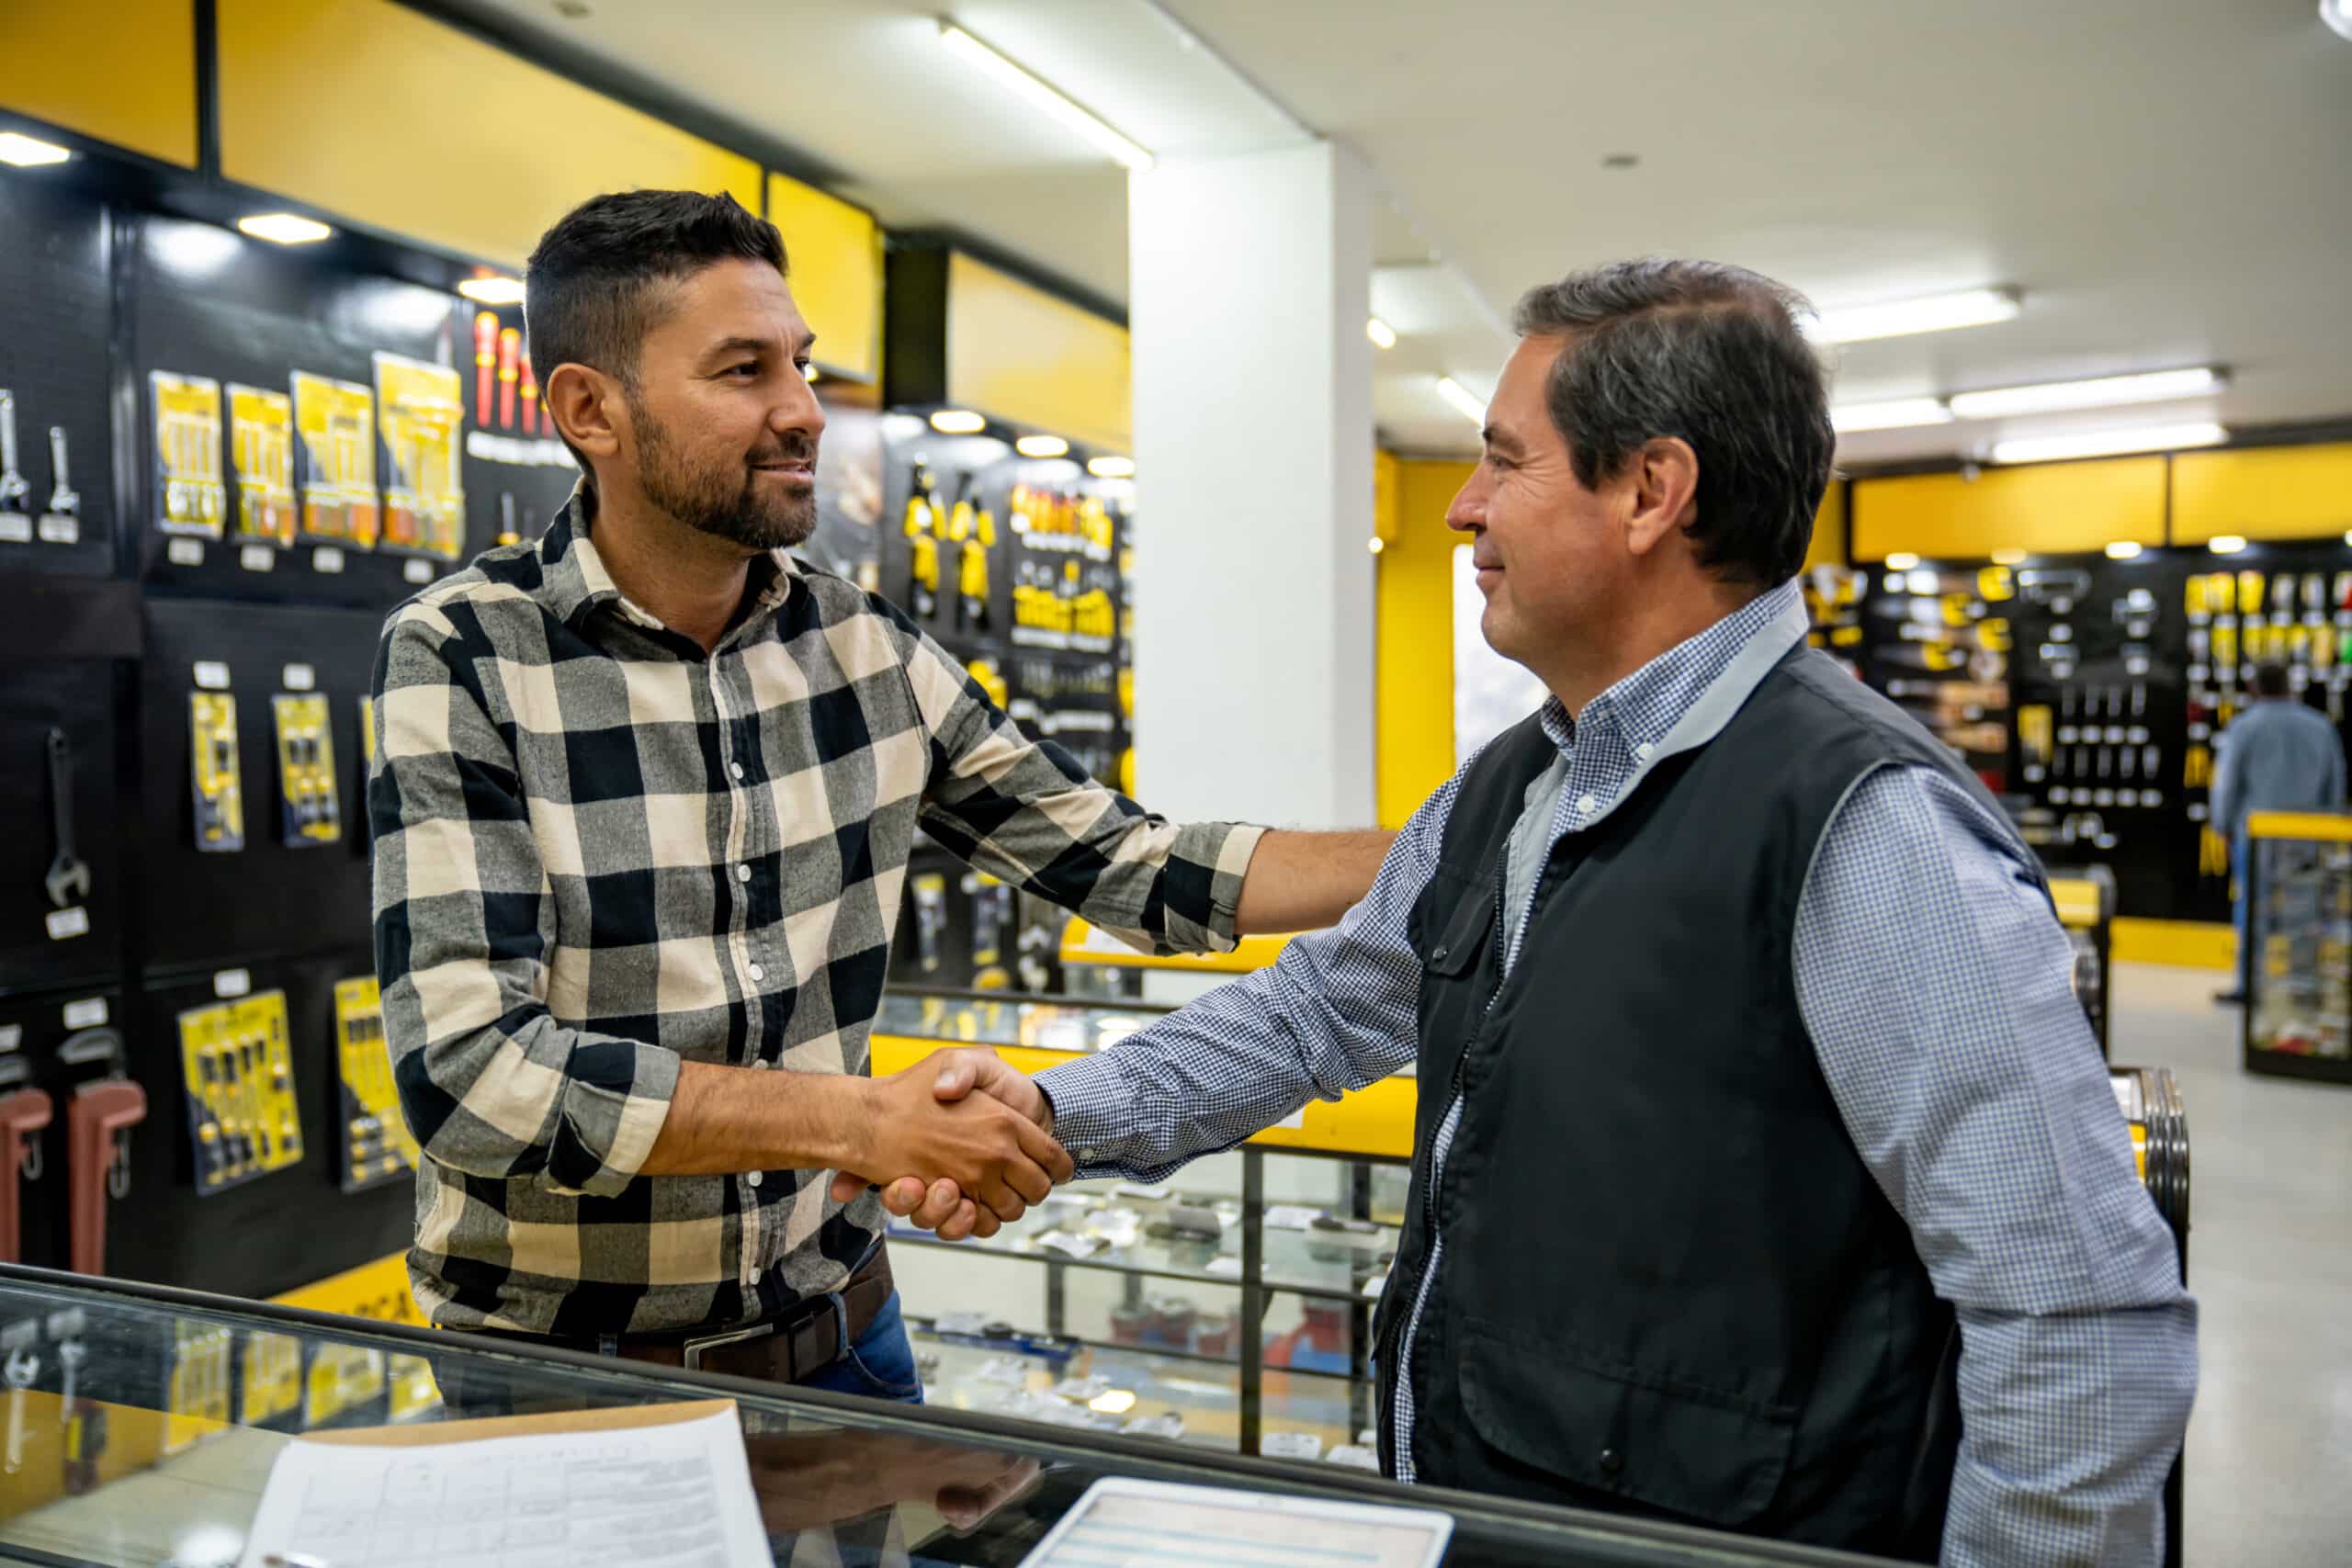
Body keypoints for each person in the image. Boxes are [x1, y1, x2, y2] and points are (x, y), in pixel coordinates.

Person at [863, 261, 2199, 1565]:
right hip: (1506, 1502)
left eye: (1504, 460)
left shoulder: (1866, 824)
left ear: (1649, 491)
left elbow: (2075, 1310)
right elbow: (1323, 1008)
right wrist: (1050, 1114)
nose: (1462, 509)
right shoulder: (1519, 781)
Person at [368, 189, 1392, 1400]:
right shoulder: (465, 655)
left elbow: (1132, 866)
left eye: (798, 363)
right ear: (591, 409)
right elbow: (477, 1078)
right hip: (567, 1381)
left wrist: (1461, 838)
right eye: (743, 370)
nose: (802, 410)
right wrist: (858, 1121)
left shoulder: (864, 646)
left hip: (844, 1339)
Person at [2211, 660, 2346, 1003]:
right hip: (2308, 834)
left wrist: (2222, 824)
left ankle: (2249, 986)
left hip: (2257, 836)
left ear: (2255, 687)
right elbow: (2336, 782)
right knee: (2306, 909)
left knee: (2252, 907)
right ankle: (2303, 986)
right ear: (2290, 684)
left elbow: (2226, 783)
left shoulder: (2245, 726)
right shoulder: (2319, 726)